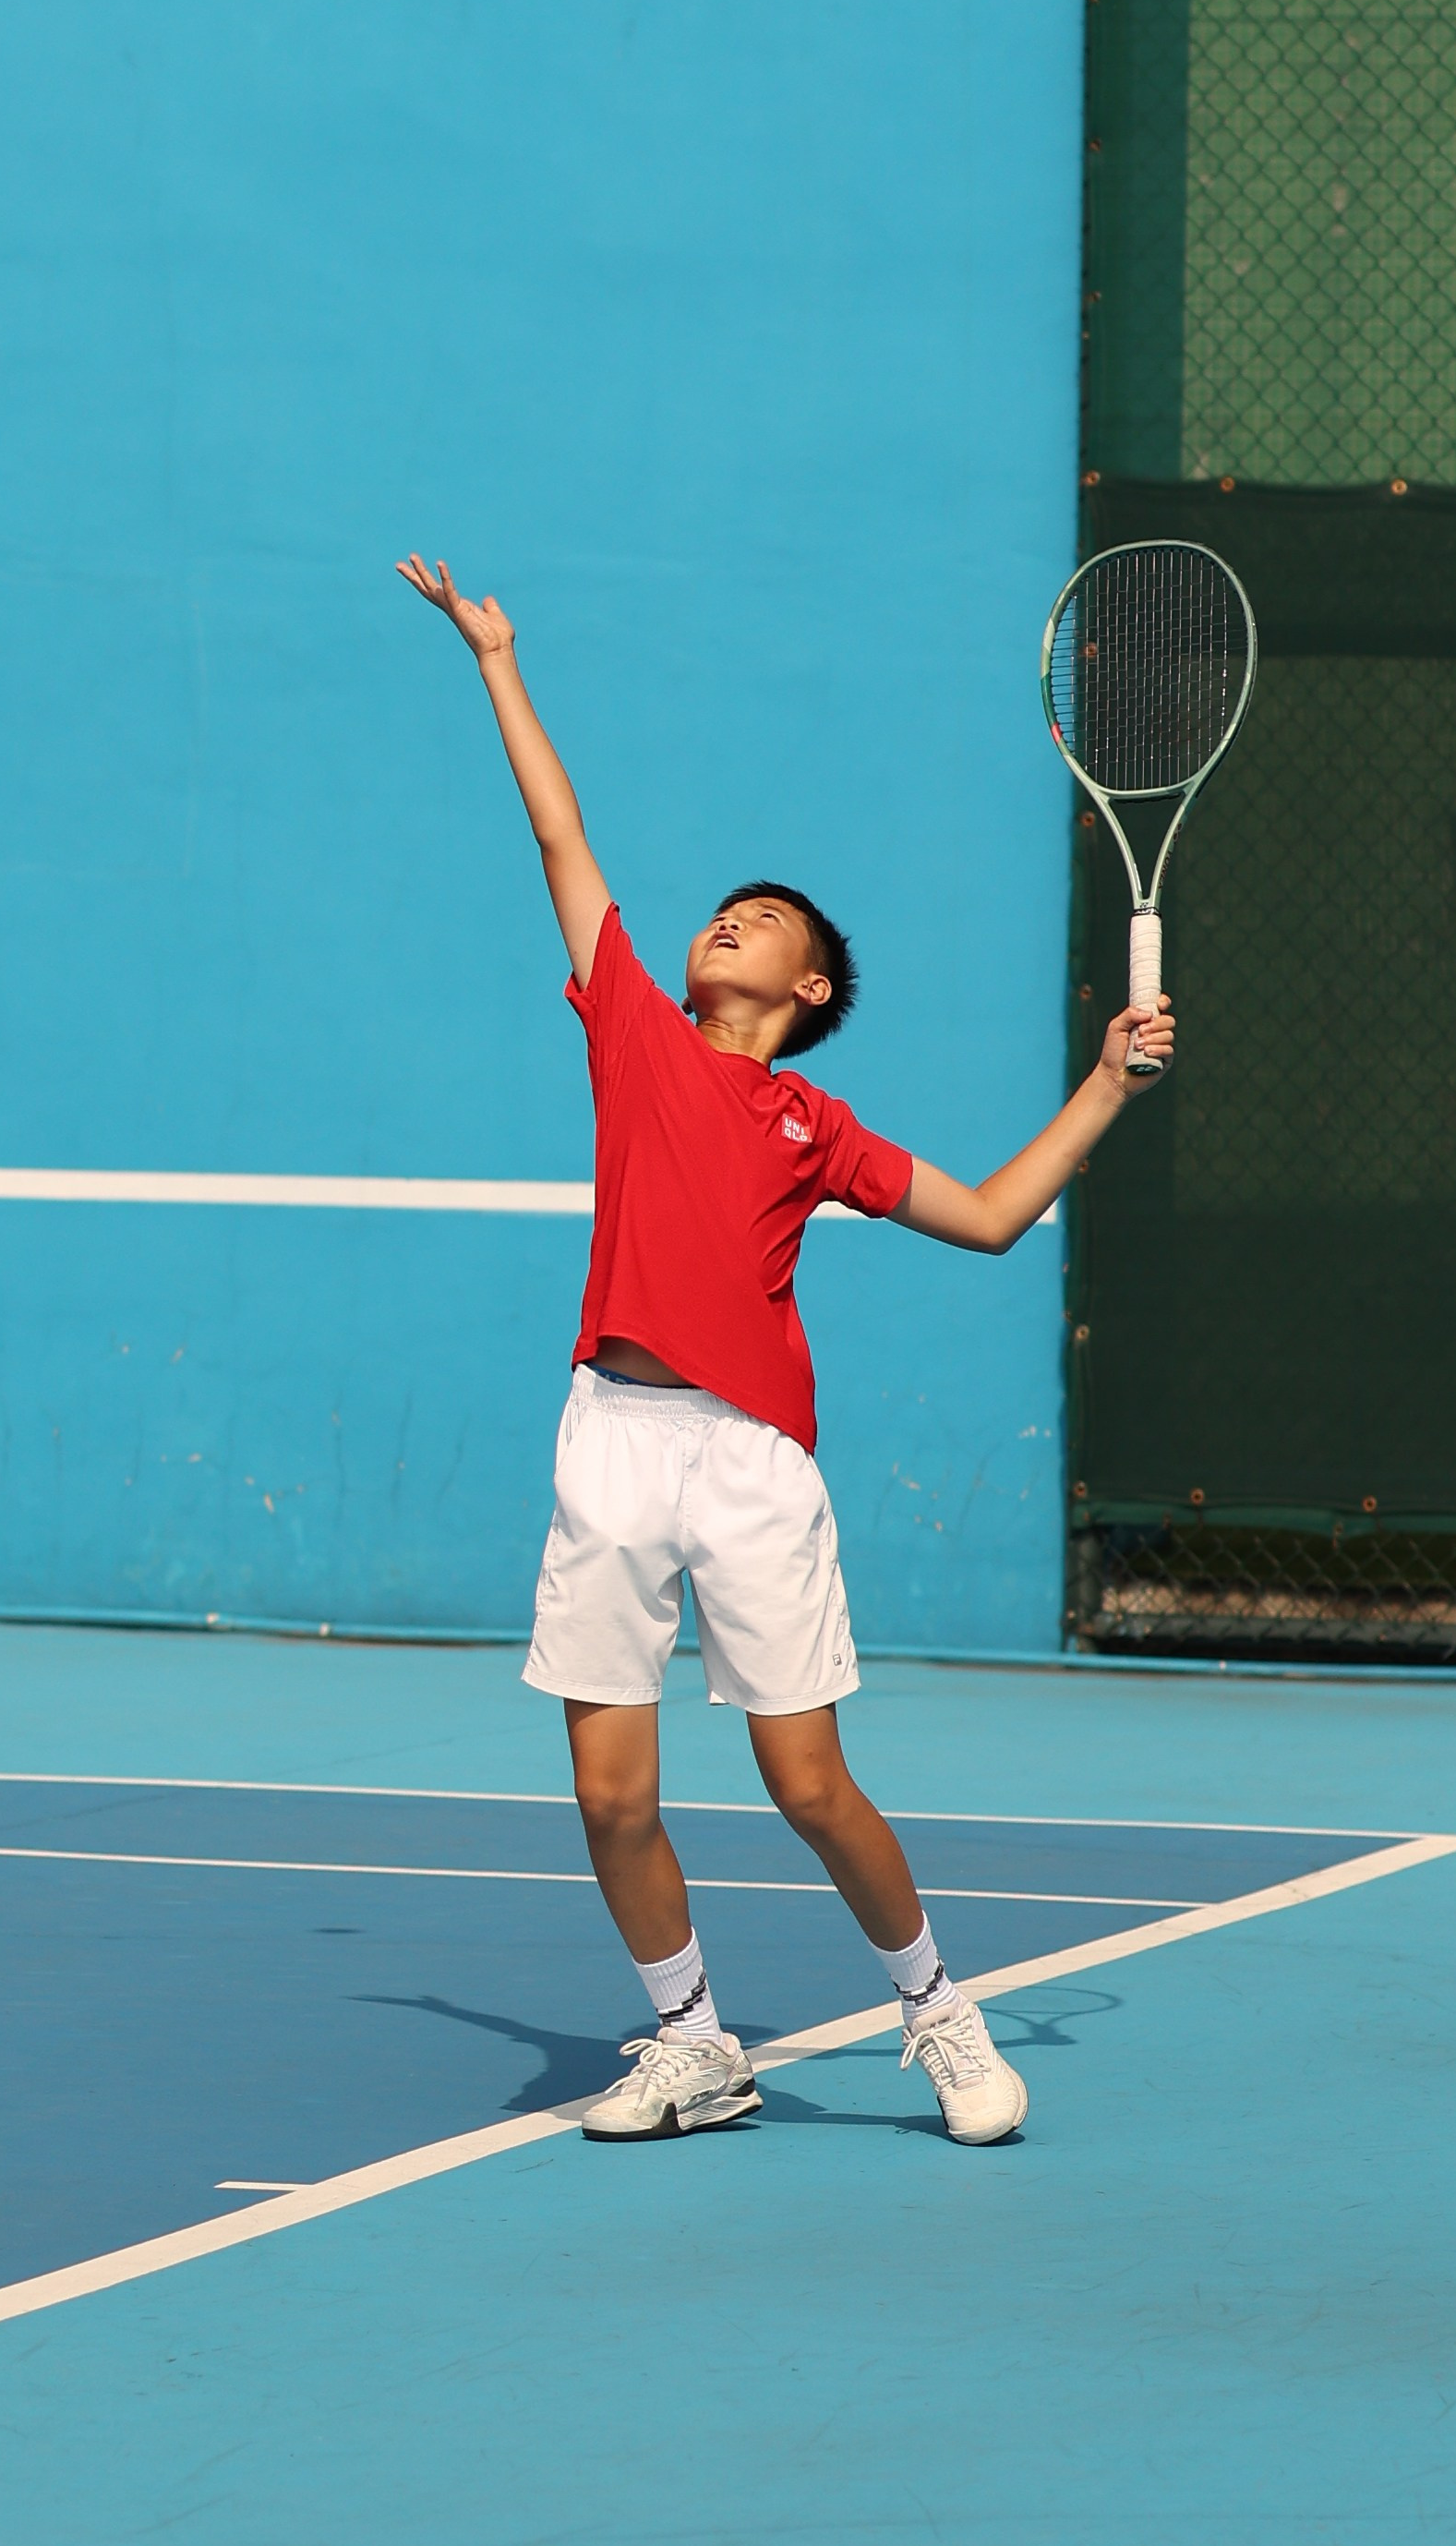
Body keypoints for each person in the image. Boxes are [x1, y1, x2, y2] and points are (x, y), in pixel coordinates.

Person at [397, 555, 1175, 2146]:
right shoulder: (631, 1027)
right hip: (612, 1431)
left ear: (806, 989)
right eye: (719, 912)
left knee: (806, 1782)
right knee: (611, 1796)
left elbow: (993, 1218)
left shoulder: (811, 1120)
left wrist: (1106, 1084)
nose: (724, 920)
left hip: (751, 1458)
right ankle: (692, 2041)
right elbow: (561, 833)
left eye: (762, 924)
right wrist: (497, 661)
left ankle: (939, 2016)